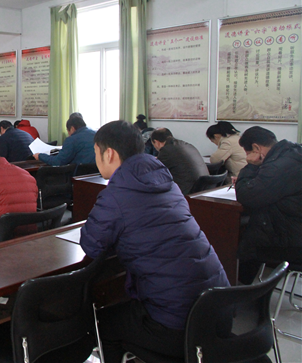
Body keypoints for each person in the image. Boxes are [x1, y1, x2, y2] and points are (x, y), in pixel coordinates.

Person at [80, 120, 229, 361]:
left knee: (103, 324)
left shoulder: (116, 195)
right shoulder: (168, 183)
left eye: (96, 152)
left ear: (109, 154)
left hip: (178, 325)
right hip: (219, 309)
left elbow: (91, 245)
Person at [235, 126, 302, 284]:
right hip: (296, 229)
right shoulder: (292, 154)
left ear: (256, 148)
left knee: (244, 242)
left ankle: (241, 291)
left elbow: (247, 196)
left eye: (248, 153)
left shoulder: (278, 166)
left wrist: (251, 167)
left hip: (293, 242)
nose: (248, 157)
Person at [150, 128, 209, 195]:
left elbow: (156, 173)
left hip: (188, 191)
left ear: (156, 142)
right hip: (204, 188)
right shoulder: (186, 145)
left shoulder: (166, 150)